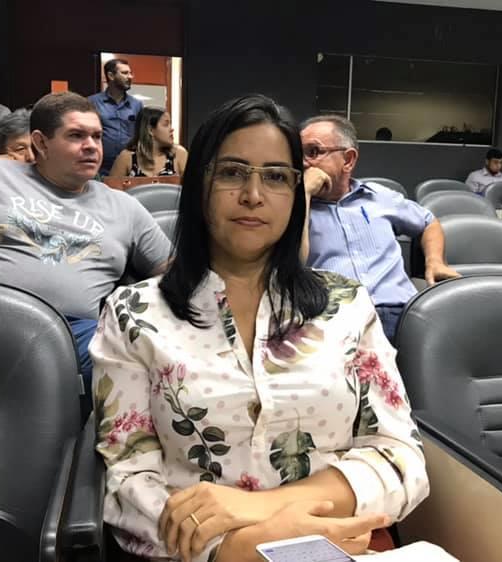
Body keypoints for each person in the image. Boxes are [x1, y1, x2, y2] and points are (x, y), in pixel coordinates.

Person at [90, 95, 428, 562]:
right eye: (232, 173)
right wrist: (230, 549)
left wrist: (265, 512)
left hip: (341, 546)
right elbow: (128, 478)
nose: (253, 194)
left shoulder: (346, 304)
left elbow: (398, 455)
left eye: (275, 177)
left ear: (295, 191)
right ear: (199, 184)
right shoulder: (133, 312)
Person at [0, 91, 172, 413]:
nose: (92, 146)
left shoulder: (125, 207)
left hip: (74, 334)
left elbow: (175, 271)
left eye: (96, 136)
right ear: (40, 142)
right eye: (76, 136)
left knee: (143, 366)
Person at [300, 115, 459, 342]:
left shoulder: (381, 197)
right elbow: (291, 261)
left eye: (313, 152)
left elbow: (428, 222)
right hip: (334, 320)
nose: (304, 163)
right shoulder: (294, 207)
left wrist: (435, 261)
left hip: (400, 313)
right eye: (299, 154)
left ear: (348, 160)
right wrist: (303, 194)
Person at [89, 58, 143, 176]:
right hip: (100, 167)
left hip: (129, 166)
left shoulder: (136, 105)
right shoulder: (93, 102)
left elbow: (141, 134)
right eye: (125, 73)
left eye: (130, 73)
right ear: (111, 76)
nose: (130, 77)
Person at [108, 106, 188, 180]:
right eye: (166, 124)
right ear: (150, 130)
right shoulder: (126, 157)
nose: (171, 129)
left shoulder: (179, 154)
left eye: (170, 124)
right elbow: (111, 189)